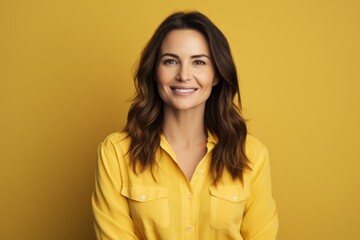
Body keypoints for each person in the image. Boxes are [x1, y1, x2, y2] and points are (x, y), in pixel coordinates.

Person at [92, 11, 278, 240]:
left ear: (217, 74)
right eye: (170, 61)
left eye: (198, 62)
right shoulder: (115, 154)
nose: (184, 75)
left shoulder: (252, 155)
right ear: (155, 72)